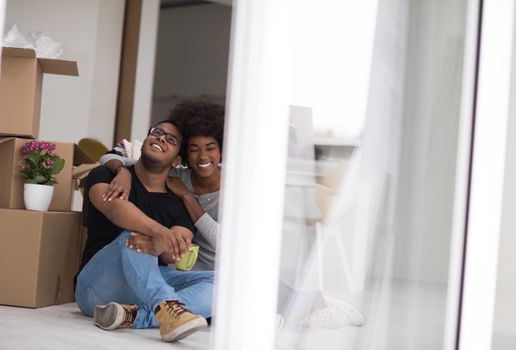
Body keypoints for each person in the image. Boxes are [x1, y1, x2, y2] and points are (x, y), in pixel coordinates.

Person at [99, 99, 364, 335]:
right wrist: (120, 170)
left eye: (210, 148)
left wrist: (189, 199)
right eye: (194, 149)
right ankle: (302, 304)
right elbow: (113, 155)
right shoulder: (177, 176)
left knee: (267, 293)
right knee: (238, 301)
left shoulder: (235, 186)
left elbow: (225, 244)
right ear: (183, 156)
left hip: (230, 268)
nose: (203, 156)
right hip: (196, 273)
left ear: (222, 150)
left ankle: (318, 302)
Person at [75, 117, 214, 343]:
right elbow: (114, 209)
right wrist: (160, 234)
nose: (160, 138)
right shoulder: (105, 176)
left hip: (144, 289)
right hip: (95, 286)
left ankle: (135, 316)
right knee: (136, 236)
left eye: (171, 139)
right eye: (157, 132)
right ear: (145, 140)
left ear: (177, 160)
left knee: (221, 284)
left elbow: (175, 252)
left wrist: (164, 245)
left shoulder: (177, 204)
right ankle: (167, 309)